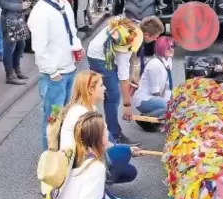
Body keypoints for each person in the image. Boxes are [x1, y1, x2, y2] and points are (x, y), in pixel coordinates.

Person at [27, 0, 84, 150]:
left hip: (68, 69)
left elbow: (72, 31)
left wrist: (77, 46)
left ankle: (62, 154)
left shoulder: (65, 4)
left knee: (65, 117)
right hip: (55, 75)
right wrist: (52, 72)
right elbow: (39, 47)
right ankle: (50, 157)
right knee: (52, 119)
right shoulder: (41, 11)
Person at [87, 16, 164, 145]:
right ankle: (114, 135)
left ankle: (110, 132)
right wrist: (127, 105)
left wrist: (132, 76)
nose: (156, 39)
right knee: (113, 97)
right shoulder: (129, 39)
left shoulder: (135, 26)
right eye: (155, 37)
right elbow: (123, 76)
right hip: (99, 58)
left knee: (113, 92)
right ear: (146, 34)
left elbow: (131, 57)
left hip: (100, 51)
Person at [59, 71, 140, 184]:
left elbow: (105, 140)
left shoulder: (88, 107)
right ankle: (95, 189)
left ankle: (98, 184)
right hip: (79, 163)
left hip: (84, 158)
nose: (105, 88)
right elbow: (99, 146)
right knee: (124, 152)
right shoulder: (81, 113)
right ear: (91, 90)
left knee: (130, 171)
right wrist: (127, 150)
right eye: (101, 85)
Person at [0, 0, 29, 85]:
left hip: (18, 19)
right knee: (9, 48)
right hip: (10, 20)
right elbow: (3, 4)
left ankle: (16, 70)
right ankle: (10, 74)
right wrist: (20, 6)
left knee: (20, 45)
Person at [133, 36, 174, 119]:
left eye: (172, 47)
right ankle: (145, 119)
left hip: (154, 98)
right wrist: (166, 104)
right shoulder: (155, 64)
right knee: (168, 107)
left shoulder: (169, 61)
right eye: (168, 47)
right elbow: (154, 91)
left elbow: (167, 85)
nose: (171, 49)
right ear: (161, 48)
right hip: (144, 99)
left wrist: (169, 100)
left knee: (174, 104)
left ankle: (162, 113)